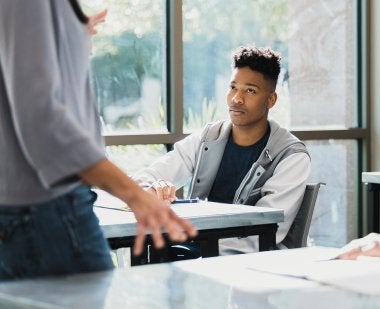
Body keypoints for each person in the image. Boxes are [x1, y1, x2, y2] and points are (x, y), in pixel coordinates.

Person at [0, 0, 196, 280]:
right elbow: (41, 117)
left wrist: (72, 35)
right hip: (50, 213)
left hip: (37, 212)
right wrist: (134, 194)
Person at [133, 45, 311, 257]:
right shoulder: (208, 138)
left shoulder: (291, 156)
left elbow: (265, 234)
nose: (237, 98)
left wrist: (199, 251)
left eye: (250, 90)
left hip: (251, 264)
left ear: (271, 100)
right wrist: (152, 188)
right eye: (233, 87)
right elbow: (142, 180)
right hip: (196, 252)